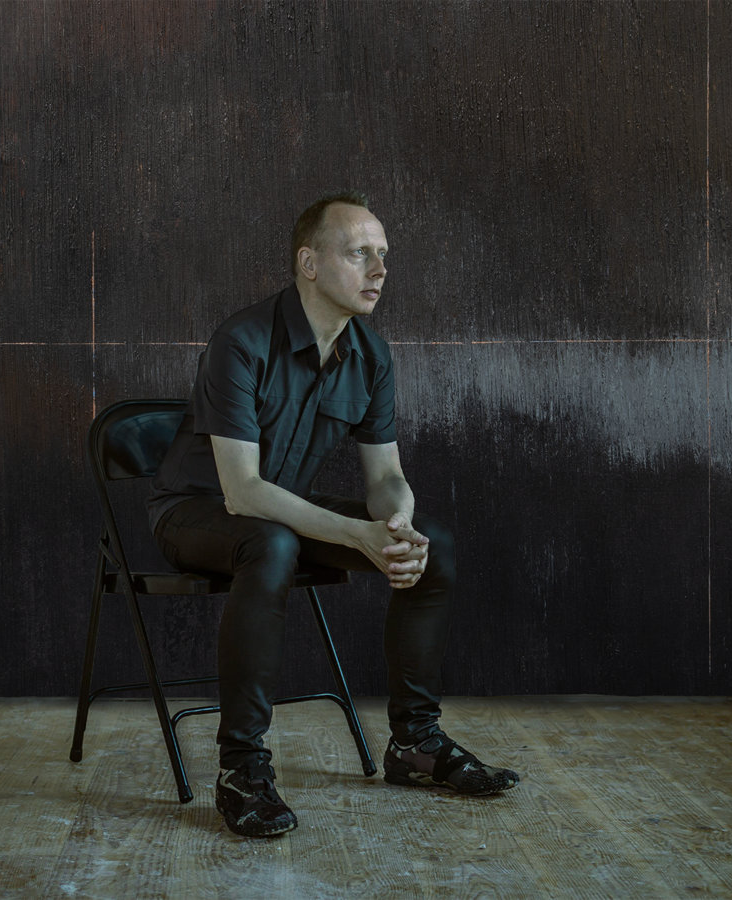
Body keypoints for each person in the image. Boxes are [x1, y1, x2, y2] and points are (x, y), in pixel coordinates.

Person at [147, 191, 519, 838]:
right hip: (196, 513)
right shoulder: (242, 340)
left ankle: (415, 743)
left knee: (432, 545)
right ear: (309, 263)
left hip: (283, 513)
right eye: (358, 254)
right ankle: (241, 769)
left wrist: (397, 524)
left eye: (383, 255)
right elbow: (243, 493)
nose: (379, 270)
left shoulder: (372, 356)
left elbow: (386, 478)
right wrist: (356, 535)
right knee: (272, 545)